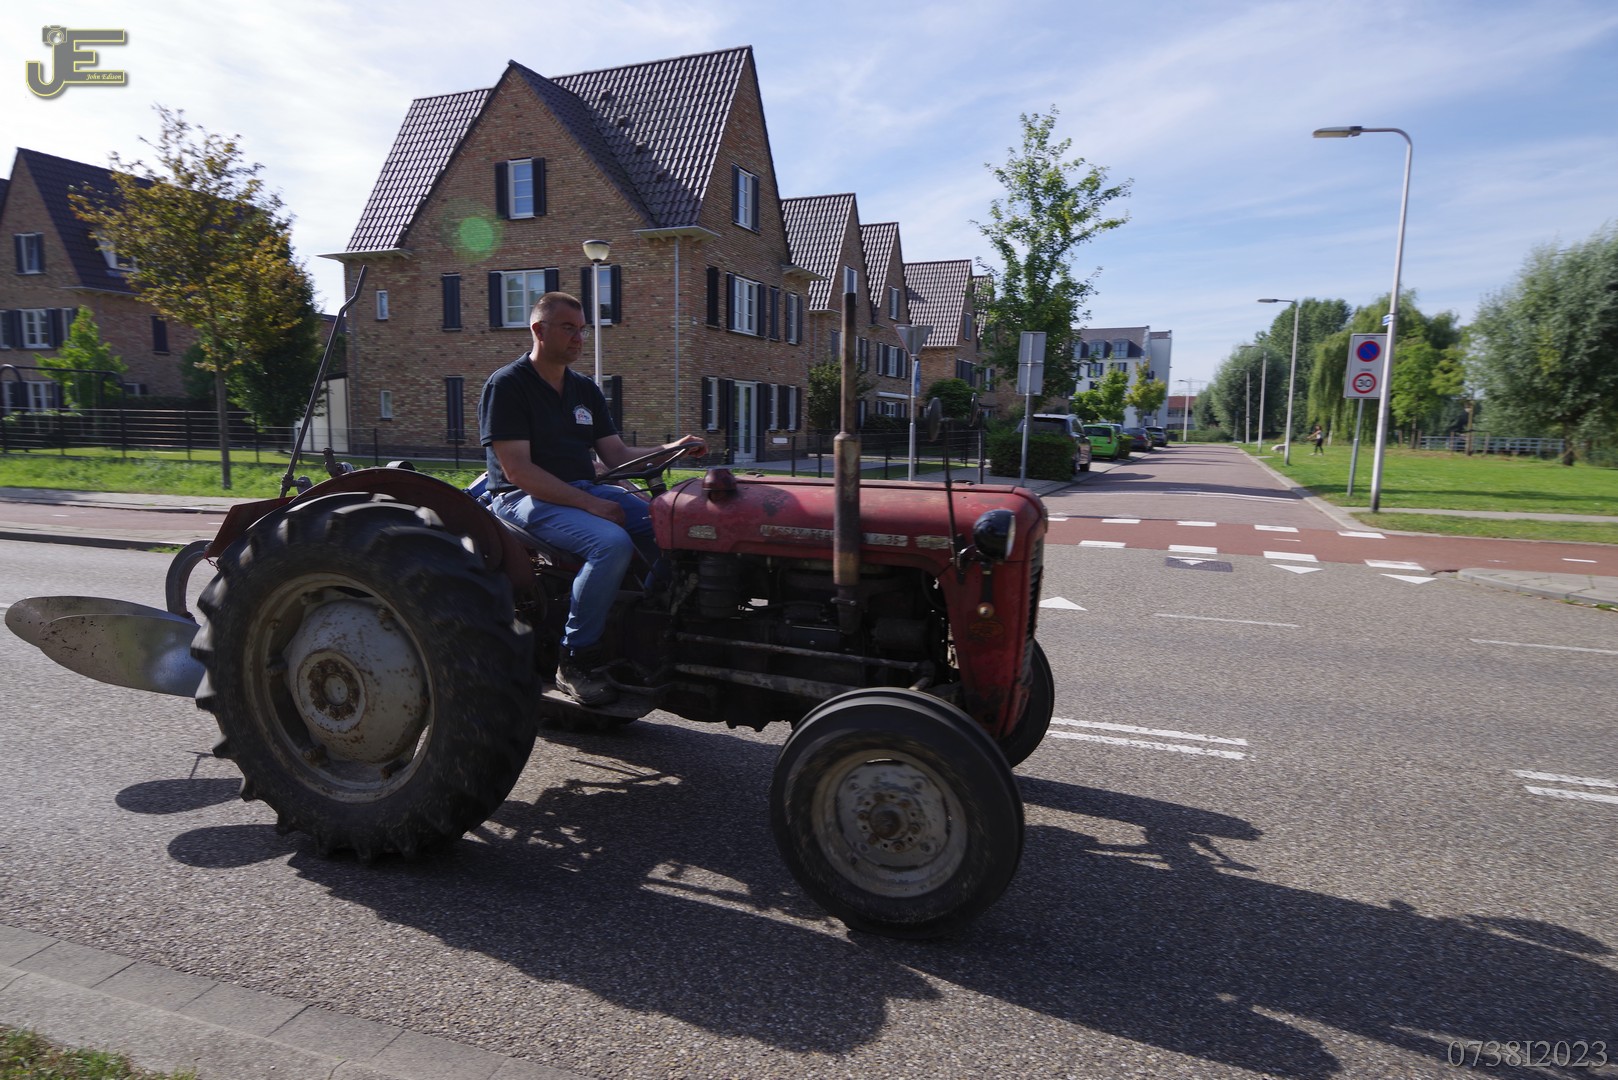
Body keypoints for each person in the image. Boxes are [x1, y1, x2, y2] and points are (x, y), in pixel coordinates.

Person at [478, 291, 705, 705]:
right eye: (569, 329)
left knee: (672, 529)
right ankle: (576, 658)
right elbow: (519, 472)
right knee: (610, 543)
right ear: (539, 330)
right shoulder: (508, 385)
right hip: (521, 498)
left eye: (582, 330)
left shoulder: (584, 390)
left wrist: (673, 448)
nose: (579, 338)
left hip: (582, 489)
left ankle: (645, 628)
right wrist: (593, 504)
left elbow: (616, 455)